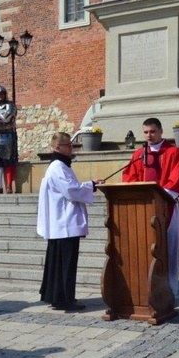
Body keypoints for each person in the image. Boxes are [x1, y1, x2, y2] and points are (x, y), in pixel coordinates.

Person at [37, 132, 103, 311]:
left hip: (61, 223)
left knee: (60, 263)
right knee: (65, 264)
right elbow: (71, 190)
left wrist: (89, 184)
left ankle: (58, 297)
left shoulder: (60, 166)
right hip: (63, 223)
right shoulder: (58, 166)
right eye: (68, 145)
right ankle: (64, 299)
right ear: (57, 147)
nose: (71, 148)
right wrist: (91, 185)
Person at [122, 117, 179, 295]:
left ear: (160, 131)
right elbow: (129, 177)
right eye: (145, 132)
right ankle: (146, 290)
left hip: (168, 208)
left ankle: (170, 292)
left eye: (152, 132)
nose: (148, 136)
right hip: (143, 210)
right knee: (146, 249)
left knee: (169, 251)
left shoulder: (174, 152)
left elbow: (177, 179)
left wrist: (160, 197)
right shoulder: (138, 154)